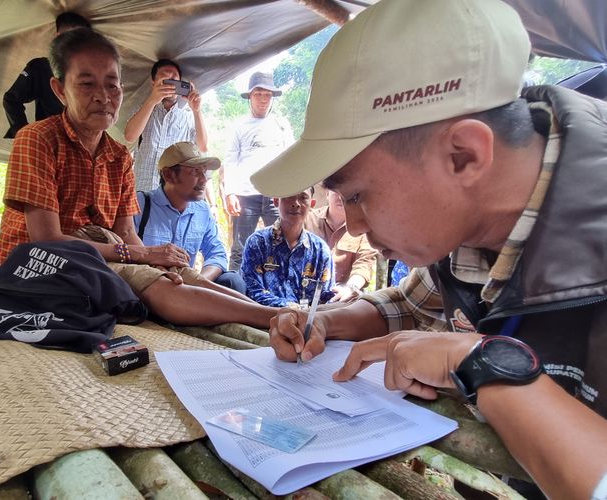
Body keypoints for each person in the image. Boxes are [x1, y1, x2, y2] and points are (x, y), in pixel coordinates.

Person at [250, 0, 607, 498]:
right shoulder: (467, 228)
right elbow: (410, 305)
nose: (352, 224)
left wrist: (483, 364)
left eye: (356, 196)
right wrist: (325, 323)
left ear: (463, 155)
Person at [0, 28, 279, 329]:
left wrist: (151, 257)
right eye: (87, 84)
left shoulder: (118, 156)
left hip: (94, 260)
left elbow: (126, 233)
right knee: (154, 281)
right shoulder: (37, 139)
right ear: (60, 90)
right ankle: (275, 319)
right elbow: (47, 239)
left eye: (112, 86)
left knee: (181, 273)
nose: (103, 97)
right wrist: (141, 255)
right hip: (35, 267)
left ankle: (278, 315)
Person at [133, 141, 246, 294]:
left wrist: (198, 282)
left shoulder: (202, 210)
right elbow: (127, 254)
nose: (204, 179)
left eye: (204, 172)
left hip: (187, 288)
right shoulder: (140, 204)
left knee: (232, 281)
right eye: (195, 172)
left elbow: (216, 254)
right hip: (150, 287)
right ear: (169, 175)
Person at [223, 72, 294, 271]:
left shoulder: (282, 125)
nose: (263, 99)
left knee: (283, 244)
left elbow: (290, 159)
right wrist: (230, 193)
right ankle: (233, 291)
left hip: (275, 195)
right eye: (258, 94)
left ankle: (282, 291)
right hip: (246, 194)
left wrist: (291, 191)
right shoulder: (238, 126)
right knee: (240, 247)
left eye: (267, 95)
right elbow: (230, 160)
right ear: (250, 97)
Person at [2, 12, 91, 139]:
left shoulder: (93, 73)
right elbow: (11, 99)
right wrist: (24, 136)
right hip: (49, 143)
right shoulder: (41, 68)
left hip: (83, 145)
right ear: (58, 37)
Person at [124, 59, 208, 192]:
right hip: (142, 191)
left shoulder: (188, 116)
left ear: (181, 82)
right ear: (153, 83)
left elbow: (203, 147)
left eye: (175, 80)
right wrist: (152, 99)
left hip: (173, 195)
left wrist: (197, 111)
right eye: (165, 80)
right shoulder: (143, 109)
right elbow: (129, 136)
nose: (171, 85)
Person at [240, 188, 334, 307]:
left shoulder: (320, 250)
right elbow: (253, 291)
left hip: (309, 323)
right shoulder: (257, 243)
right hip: (264, 320)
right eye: (289, 196)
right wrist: (293, 308)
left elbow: (326, 296)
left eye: (303, 198)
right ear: (275, 201)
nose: (296, 203)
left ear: (312, 204)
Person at [305, 190, 377, 302]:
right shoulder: (307, 220)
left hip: (341, 296)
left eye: (345, 192)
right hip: (303, 292)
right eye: (336, 192)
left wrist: (350, 288)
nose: (341, 197)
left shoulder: (363, 227)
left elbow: (364, 264)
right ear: (327, 194)